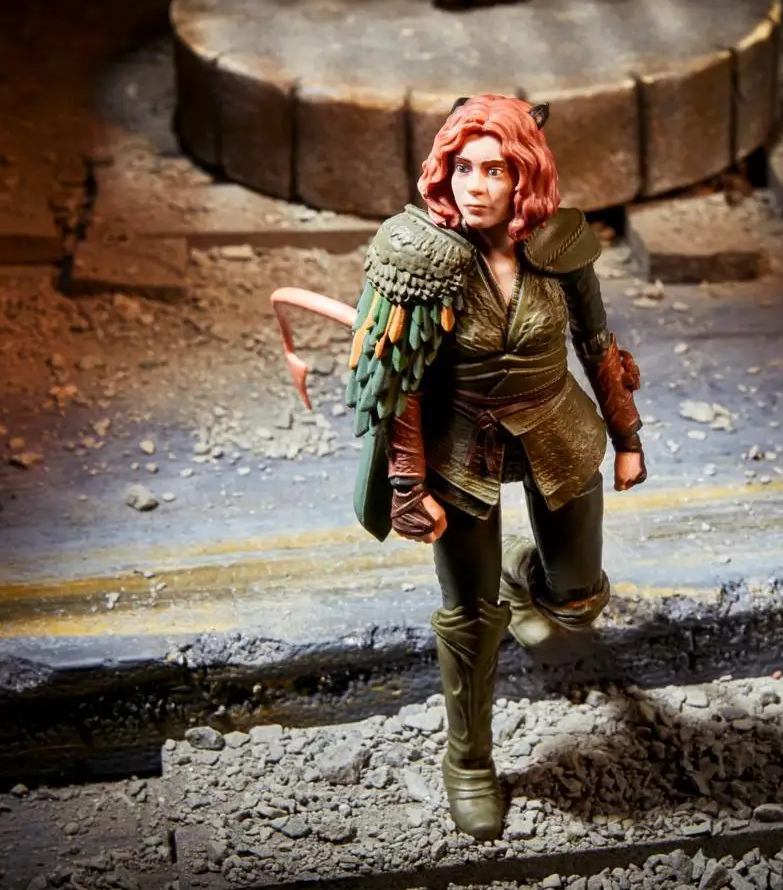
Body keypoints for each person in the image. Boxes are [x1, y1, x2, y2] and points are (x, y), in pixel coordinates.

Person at [271, 94, 646, 842]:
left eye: (495, 170)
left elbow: (597, 343)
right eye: (464, 168)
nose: (476, 185)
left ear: (525, 176)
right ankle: (469, 760)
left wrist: (627, 435)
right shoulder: (420, 258)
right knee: (471, 617)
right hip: (457, 445)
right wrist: (408, 486)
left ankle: (523, 574)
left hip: (556, 428)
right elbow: (399, 383)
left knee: (578, 597)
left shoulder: (561, 246)